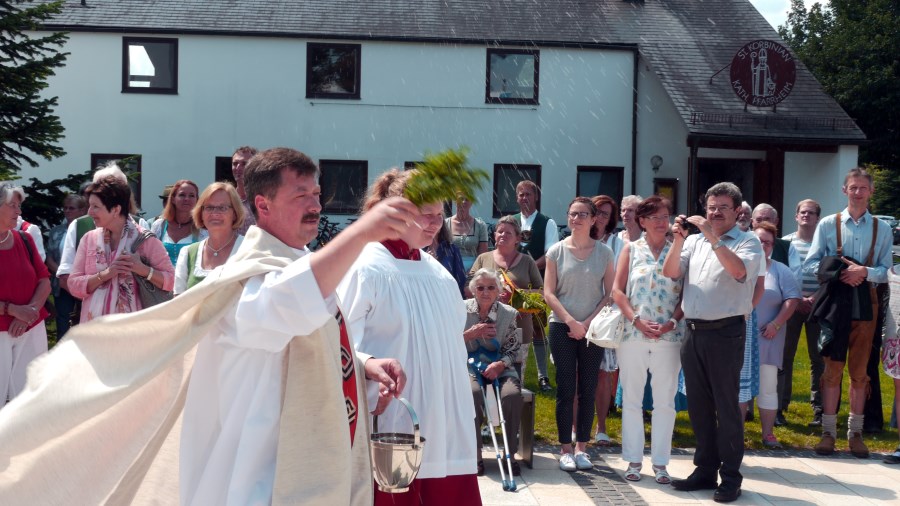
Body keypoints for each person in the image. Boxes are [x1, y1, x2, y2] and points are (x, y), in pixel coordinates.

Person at [0, 147, 416, 504]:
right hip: (262, 477)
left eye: (317, 194)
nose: (315, 205)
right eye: (300, 195)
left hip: (291, 460)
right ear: (263, 205)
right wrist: (362, 234)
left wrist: (362, 363)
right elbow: (285, 307)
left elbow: (306, 332)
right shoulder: (249, 276)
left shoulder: (299, 263)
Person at [337, 168, 481, 505]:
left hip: (443, 420)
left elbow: (451, 346)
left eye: (439, 215)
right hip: (393, 419)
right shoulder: (364, 267)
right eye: (425, 214)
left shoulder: (440, 275)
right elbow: (339, 342)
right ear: (398, 213)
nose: (435, 223)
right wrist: (368, 368)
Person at [663, 182, 764, 503]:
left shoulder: (749, 242)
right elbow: (670, 272)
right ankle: (705, 469)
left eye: (722, 207)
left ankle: (731, 477)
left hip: (726, 332)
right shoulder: (694, 241)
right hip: (693, 331)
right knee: (699, 406)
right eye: (711, 207)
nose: (715, 212)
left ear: (738, 211)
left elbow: (738, 272)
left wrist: (712, 236)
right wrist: (679, 240)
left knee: (726, 406)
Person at [804, 167, 892, 458]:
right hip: (835, 302)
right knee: (832, 368)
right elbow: (811, 264)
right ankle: (828, 433)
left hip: (867, 302)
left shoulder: (882, 228)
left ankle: (855, 434)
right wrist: (841, 273)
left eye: (863, 188)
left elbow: (887, 270)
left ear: (871, 191)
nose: (857, 192)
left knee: (860, 371)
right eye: (853, 187)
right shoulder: (828, 224)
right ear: (844, 190)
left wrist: (864, 272)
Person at [611, 195, 684, 484]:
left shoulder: (679, 249)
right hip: (633, 334)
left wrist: (672, 322)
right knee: (632, 399)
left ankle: (661, 463)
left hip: (670, 336)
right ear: (641, 221)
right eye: (654, 217)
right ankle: (633, 460)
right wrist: (636, 320)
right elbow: (617, 291)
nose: (661, 222)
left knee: (665, 402)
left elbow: (686, 293)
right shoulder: (630, 249)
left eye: (665, 216)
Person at [544, 197, 614, 472]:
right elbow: (549, 293)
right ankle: (565, 449)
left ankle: (582, 448)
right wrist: (571, 321)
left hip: (593, 328)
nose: (576, 219)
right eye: (572, 214)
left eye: (583, 214)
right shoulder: (556, 251)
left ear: (594, 218)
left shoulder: (604, 253)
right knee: (565, 388)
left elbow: (608, 294)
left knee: (588, 387)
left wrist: (587, 323)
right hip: (562, 326)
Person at [68, 176, 175, 323]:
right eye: (89, 206)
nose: (90, 212)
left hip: (134, 330)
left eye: (95, 207)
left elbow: (171, 281)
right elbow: (73, 285)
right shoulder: (89, 239)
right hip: (94, 330)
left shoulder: (145, 240)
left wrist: (142, 269)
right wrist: (106, 274)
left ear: (116, 209)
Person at [57, 163, 150, 301]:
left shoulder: (140, 225)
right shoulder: (79, 226)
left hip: (133, 309)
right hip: (89, 308)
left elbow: (159, 274)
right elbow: (66, 276)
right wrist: (96, 300)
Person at [469, 215, 543, 379]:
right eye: (499, 232)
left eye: (508, 233)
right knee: (482, 377)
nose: (503, 235)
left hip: (519, 327)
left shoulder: (527, 262)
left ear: (517, 238)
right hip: (486, 328)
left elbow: (542, 294)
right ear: (494, 235)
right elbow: (469, 288)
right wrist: (489, 294)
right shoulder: (483, 259)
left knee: (515, 379)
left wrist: (516, 295)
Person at [465, 268, 523, 477]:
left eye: (491, 287)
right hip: (470, 367)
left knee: (511, 395)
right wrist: (470, 334)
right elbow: (447, 342)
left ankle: (510, 454)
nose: (485, 292)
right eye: (480, 288)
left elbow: (513, 348)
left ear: (498, 291)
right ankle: (475, 455)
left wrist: (500, 364)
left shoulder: (508, 313)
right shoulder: (461, 310)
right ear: (473, 290)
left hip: (501, 368)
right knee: (471, 394)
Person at [0, 183, 50, 404]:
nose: (18, 211)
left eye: (19, 206)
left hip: (31, 327)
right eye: (12, 205)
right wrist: (12, 310)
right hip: (2, 329)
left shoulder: (25, 239)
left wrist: (29, 313)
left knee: (31, 399)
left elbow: (44, 280)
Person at [751, 222, 800, 448]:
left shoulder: (781, 270)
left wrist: (776, 324)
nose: (763, 246)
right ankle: (733, 433)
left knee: (768, 386)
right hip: (738, 338)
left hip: (768, 337)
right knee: (736, 388)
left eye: (768, 243)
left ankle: (768, 433)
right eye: (759, 240)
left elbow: (792, 299)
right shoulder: (737, 266)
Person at [782, 199, 826, 427]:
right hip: (791, 305)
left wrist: (814, 298)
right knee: (785, 356)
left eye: (811, 213)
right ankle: (780, 407)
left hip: (818, 306)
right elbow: (781, 275)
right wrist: (797, 299)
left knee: (818, 358)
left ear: (818, 218)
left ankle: (819, 409)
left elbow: (829, 276)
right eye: (803, 212)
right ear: (796, 216)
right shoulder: (786, 243)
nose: (806, 215)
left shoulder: (825, 245)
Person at [514, 180, 559, 391]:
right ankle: (515, 373)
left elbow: (550, 254)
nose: (525, 198)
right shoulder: (512, 221)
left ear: (536, 197)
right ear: (517, 198)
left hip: (537, 283)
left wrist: (528, 266)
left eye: (528, 194)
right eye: (521, 194)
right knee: (513, 328)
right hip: (513, 283)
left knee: (538, 328)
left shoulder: (547, 223)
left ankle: (542, 376)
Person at [173, 182, 246, 294]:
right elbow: (178, 301)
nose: (215, 213)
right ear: (201, 213)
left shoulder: (248, 248)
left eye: (222, 208)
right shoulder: (188, 253)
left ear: (235, 213)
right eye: (209, 207)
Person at [590, 194, 622, 446]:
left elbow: (619, 280)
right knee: (576, 374)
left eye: (606, 214)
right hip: (578, 313)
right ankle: (574, 427)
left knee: (603, 373)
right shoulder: (577, 238)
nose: (600, 217)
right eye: (597, 211)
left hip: (605, 314)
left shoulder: (616, 243)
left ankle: (601, 427)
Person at [45, 194, 87, 338]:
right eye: (65, 208)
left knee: (84, 321)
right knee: (63, 321)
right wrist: (63, 275)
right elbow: (49, 257)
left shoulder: (88, 231)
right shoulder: (56, 231)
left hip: (83, 283)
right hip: (62, 284)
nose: (67, 211)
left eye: (71, 208)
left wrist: (75, 278)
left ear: (82, 210)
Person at [151, 179, 208, 265]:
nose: (187, 199)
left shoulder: (202, 228)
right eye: (182, 195)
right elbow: (150, 255)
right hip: (161, 273)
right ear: (173, 199)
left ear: (197, 200)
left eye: (191, 196)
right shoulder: (159, 225)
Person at [425, 218, 467, 297]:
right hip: (426, 294)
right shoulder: (418, 250)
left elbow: (460, 277)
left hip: (447, 294)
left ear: (441, 227)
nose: (432, 226)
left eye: (435, 223)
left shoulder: (452, 249)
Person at [750, 203, 798, 269]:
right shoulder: (743, 245)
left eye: (767, 219)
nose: (763, 223)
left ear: (776, 221)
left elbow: (795, 274)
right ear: (752, 222)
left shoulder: (787, 247)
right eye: (758, 220)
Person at [447, 195, 488, 270]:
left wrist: (473, 271)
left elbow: (483, 254)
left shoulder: (480, 225)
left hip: (473, 269)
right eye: (461, 199)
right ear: (455, 201)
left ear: (471, 202)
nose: (463, 202)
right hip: (449, 268)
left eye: (467, 199)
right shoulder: (445, 224)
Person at [232, 145, 258, 235]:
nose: (238, 168)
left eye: (244, 164)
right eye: (235, 164)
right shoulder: (227, 199)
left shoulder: (264, 201)